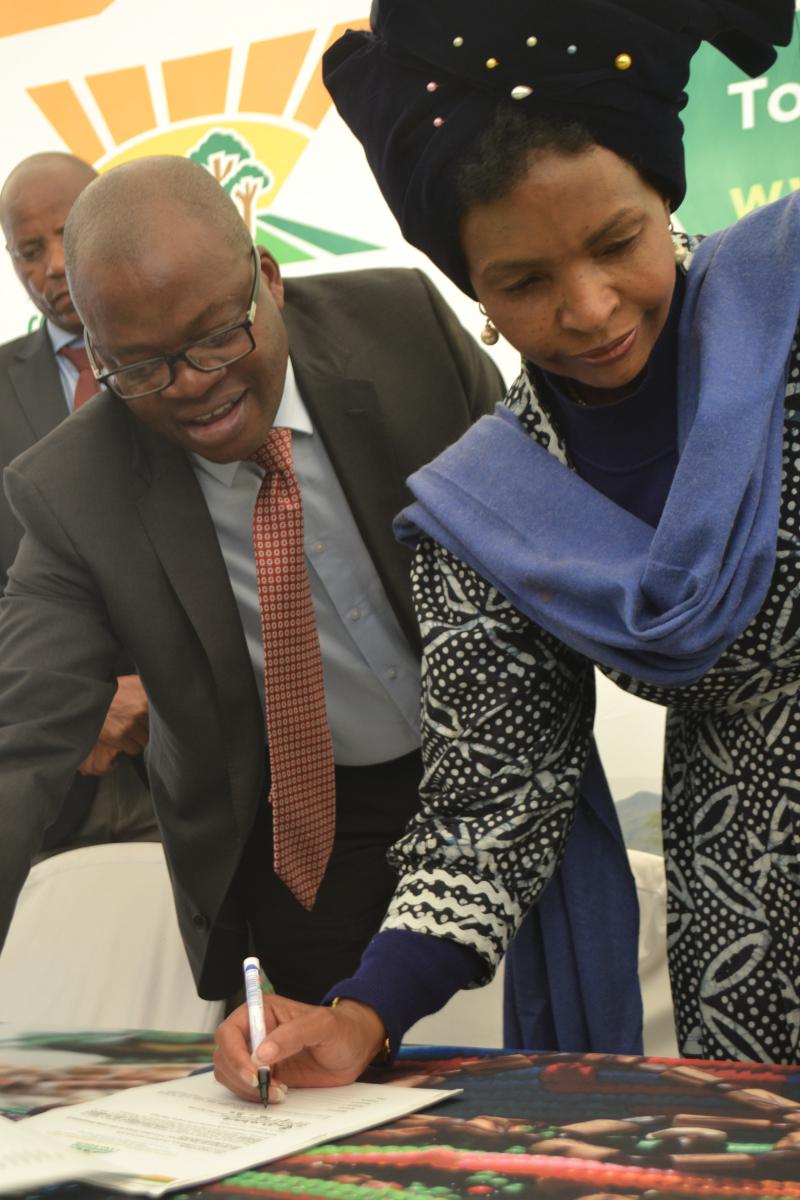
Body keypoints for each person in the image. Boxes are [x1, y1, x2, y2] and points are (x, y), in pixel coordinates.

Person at [212, 0, 800, 1096]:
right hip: (749, 928)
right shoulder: (490, 507)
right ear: (471, 294)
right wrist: (360, 1013)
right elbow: (491, 801)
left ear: (660, 194)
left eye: (616, 242)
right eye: (522, 282)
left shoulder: (790, 311)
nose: (588, 308)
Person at [0, 154, 503, 1014]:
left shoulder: (403, 330)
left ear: (266, 277)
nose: (194, 386)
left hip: (497, 769)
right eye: (142, 368)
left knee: (560, 1063)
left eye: (215, 337)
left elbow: (535, 531)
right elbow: (20, 734)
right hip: (307, 828)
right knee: (331, 1098)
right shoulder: (77, 486)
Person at [0, 151, 155, 852]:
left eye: (68, 235)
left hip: (223, 756)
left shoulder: (195, 354)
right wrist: (82, 707)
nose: (53, 266)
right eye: (28, 251)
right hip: (56, 783)